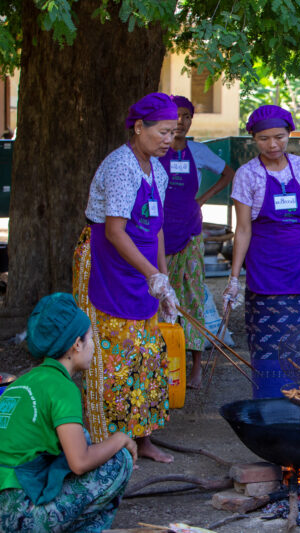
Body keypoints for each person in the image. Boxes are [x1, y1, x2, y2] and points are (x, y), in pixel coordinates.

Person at [73, 92, 179, 463]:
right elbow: (116, 232)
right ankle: (108, 445)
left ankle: (143, 437)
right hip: (108, 263)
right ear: (139, 127)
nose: (169, 140)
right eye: (163, 131)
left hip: (141, 269)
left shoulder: (158, 171)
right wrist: (152, 273)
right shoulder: (120, 166)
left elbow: (157, 230)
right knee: (111, 354)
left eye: (174, 132)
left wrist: (163, 279)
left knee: (147, 353)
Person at [224, 105, 300, 398]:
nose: (273, 144)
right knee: (268, 341)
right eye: (264, 138)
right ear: (254, 138)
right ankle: (270, 402)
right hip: (265, 269)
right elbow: (242, 230)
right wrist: (234, 279)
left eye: (280, 137)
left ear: (289, 134)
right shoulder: (247, 174)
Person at [0, 293, 135, 532]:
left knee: (79, 436)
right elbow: (79, 463)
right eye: (91, 338)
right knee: (119, 460)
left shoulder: (19, 384)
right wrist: (120, 439)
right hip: (19, 514)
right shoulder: (62, 387)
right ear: (77, 344)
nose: (94, 346)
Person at [159, 95, 235, 389]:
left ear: (191, 120)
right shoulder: (157, 150)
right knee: (157, 298)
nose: (180, 121)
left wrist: (202, 198)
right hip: (158, 234)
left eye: (186, 116)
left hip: (190, 233)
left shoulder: (198, 152)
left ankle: (195, 368)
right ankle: (160, 364)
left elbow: (228, 173)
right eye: (175, 115)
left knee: (191, 297)